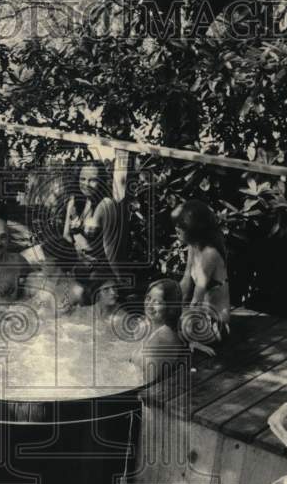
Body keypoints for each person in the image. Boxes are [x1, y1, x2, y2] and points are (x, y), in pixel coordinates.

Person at [63, 155, 129, 300]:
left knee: (80, 295)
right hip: (79, 263)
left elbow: (110, 248)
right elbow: (66, 235)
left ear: (101, 181)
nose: (86, 184)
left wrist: (118, 278)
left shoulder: (106, 205)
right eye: (82, 179)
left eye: (92, 180)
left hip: (99, 267)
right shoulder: (74, 201)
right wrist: (74, 257)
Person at [172, 199, 231, 347]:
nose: (176, 228)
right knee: (161, 312)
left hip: (216, 324)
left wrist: (178, 319)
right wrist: (171, 304)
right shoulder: (194, 245)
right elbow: (186, 282)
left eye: (181, 226)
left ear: (195, 228)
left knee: (174, 327)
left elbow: (196, 300)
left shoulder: (210, 254)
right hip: (200, 314)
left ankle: (192, 343)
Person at [134, 279, 191, 381]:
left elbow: (147, 381)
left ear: (170, 307)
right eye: (148, 298)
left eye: (157, 302)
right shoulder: (148, 326)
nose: (149, 305)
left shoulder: (162, 339)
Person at [22, 239, 84, 314]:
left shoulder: (77, 291)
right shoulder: (33, 281)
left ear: (58, 262)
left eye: (46, 257)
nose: (41, 261)